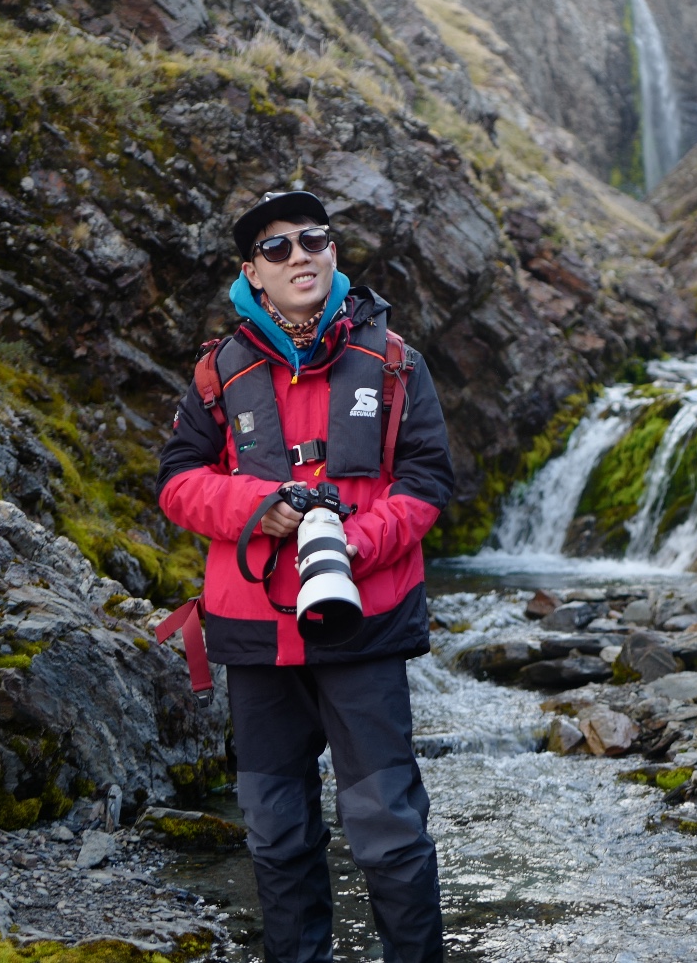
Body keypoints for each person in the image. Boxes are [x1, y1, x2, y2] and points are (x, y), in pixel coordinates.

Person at [156, 190, 453, 963]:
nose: (300, 256)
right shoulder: (219, 375)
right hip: (255, 635)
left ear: (333, 252)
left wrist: (354, 543)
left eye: (313, 239)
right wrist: (259, 508)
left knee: (388, 829)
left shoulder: (394, 362)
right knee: (277, 832)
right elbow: (178, 480)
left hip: (366, 626)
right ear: (251, 270)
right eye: (277, 246)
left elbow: (425, 482)